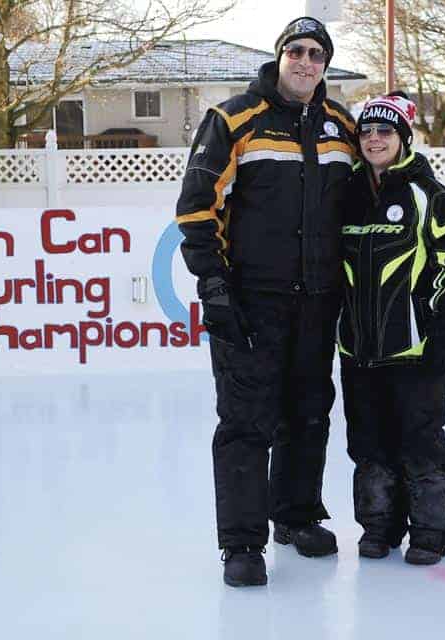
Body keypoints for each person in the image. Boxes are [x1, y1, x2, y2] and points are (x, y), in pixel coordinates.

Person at [174, 17, 356, 587]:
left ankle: (296, 516)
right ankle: (242, 544)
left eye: (316, 54)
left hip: (318, 301)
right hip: (251, 301)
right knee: (246, 424)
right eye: (296, 51)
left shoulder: (341, 126)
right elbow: (196, 207)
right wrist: (215, 287)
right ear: (279, 56)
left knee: (307, 416)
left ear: (325, 65)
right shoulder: (233, 119)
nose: (306, 62)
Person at [338, 92, 445, 565]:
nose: (374, 138)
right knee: (368, 442)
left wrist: (444, 331)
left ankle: (432, 531)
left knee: (420, 440)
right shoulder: (345, 195)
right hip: (357, 350)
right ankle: (379, 527)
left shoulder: (431, 196)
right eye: (367, 131)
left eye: (385, 131)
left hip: (416, 348)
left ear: (404, 138)